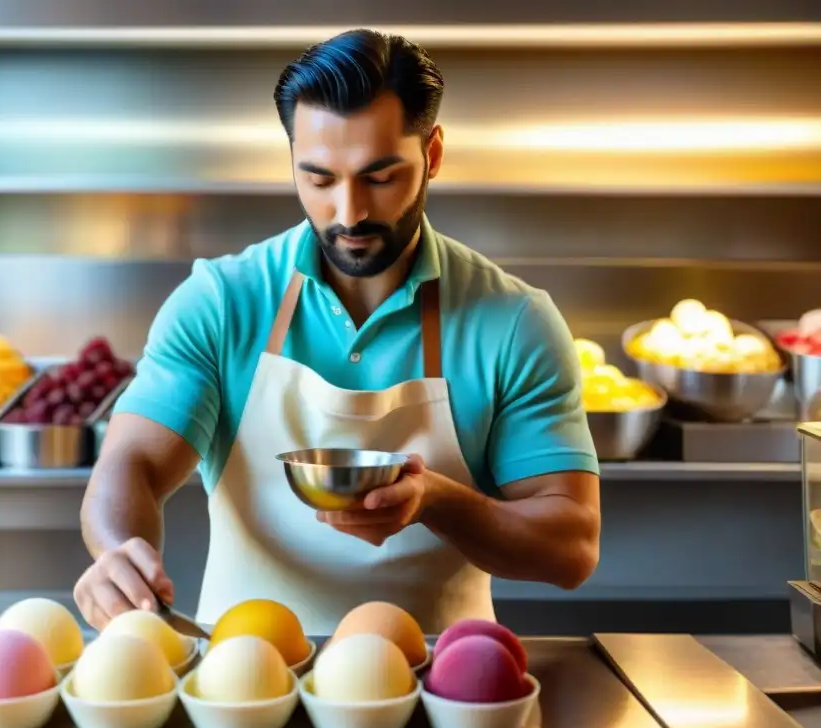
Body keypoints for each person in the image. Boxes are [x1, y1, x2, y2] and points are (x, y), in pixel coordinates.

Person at [73, 29, 601, 635]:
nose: (349, 212)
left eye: (379, 178)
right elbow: (133, 460)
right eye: (319, 179)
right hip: (242, 684)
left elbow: (571, 548)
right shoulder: (221, 302)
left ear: (431, 155)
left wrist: (436, 500)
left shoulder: (512, 322)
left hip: (443, 690)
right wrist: (117, 550)